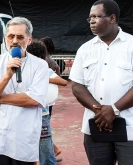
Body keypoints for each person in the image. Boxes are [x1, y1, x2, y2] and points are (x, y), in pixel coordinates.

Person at [0, 17, 49, 164]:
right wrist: (7, 75)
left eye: (20, 37)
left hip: (24, 139)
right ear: (5, 38)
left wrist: (1, 99)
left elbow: (34, 99)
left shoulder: (40, 65)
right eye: (11, 36)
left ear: (29, 40)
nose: (15, 41)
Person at [69, 0, 133, 164]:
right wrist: (99, 111)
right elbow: (77, 85)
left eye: (97, 16)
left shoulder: (131, 45)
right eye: (90, 17)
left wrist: (113, 109)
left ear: (112, 18)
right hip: (96, 125)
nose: (91, 21)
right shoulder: (85, 49)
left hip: (130, 128)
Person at [27, 40, 67, 165]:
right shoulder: (25, 70)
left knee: (44, 148)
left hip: (42, 114)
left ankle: (52, 154)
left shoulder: (44, 70)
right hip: (26, 113)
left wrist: (43, 78)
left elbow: (63, 82)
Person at [40, 36, 64, 160]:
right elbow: (59, 76)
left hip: (42, 100)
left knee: (43, 129)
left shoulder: (44, 61)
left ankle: (52, 151)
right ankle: (53, 150)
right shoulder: (52, 61)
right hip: (49, 99)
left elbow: (59, 79)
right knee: (45, 127)